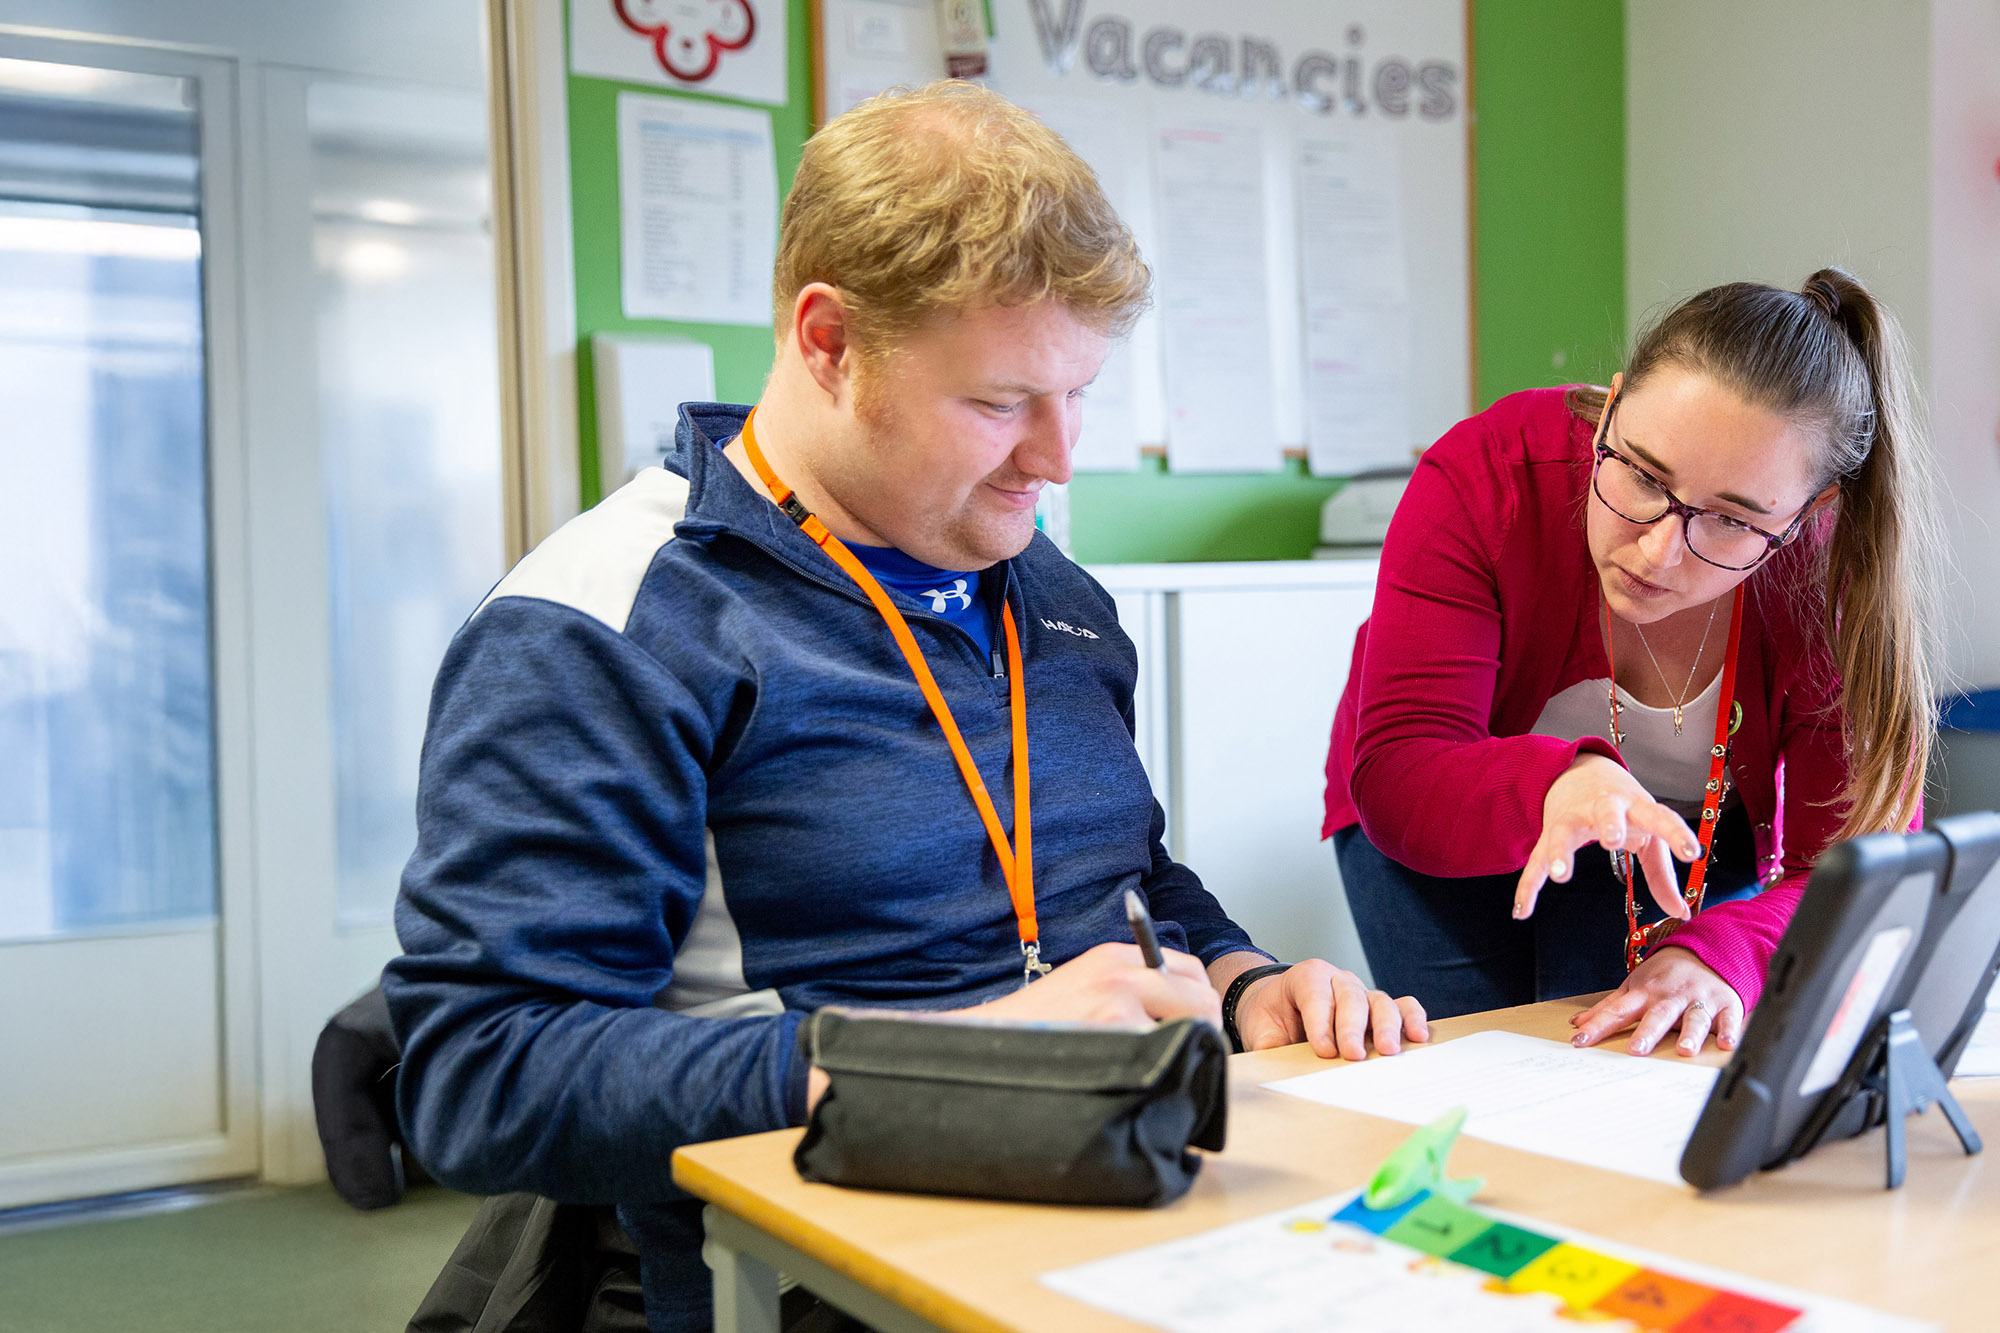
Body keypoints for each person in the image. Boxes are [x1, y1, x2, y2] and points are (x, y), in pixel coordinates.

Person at [386, 81, 1425, 1333]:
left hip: (1109, 1226)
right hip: (785, 1280)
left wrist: (1244, 976)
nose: (1057, 457)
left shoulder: (1048, 591)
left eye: (1078, 393)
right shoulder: (607, 624)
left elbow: (1119, 870)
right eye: (999, 403)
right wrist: (962, 1054)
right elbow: (481, 1074)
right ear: (826, 340)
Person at [1322, 269, 1943, 1059]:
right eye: (1644, 475)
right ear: (1611, 407)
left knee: (1647, 1055)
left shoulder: (1833, 580)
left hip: (1691, 834)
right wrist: (1557, 784)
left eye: (1730, 520)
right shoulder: (1487, 475)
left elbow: (1861, 869)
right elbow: (1405, 767)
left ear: (1809, 515)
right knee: (1487, 1069)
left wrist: (1719, 951)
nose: (1657, 550)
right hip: (1444, 804)